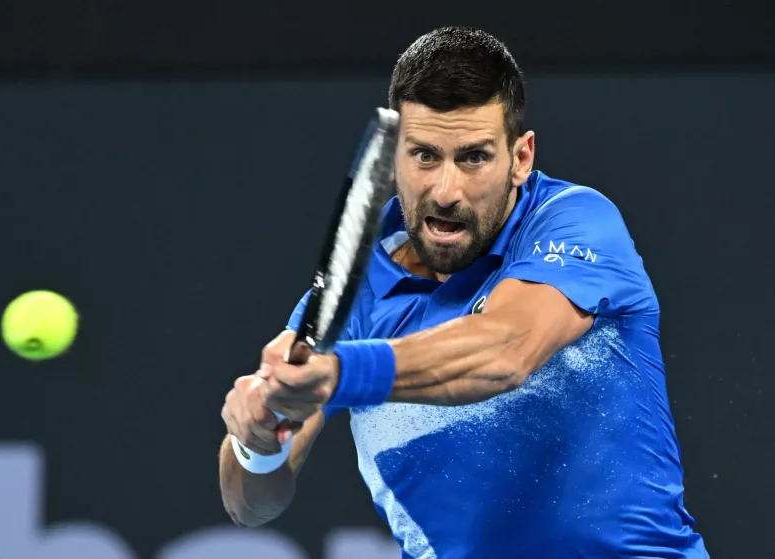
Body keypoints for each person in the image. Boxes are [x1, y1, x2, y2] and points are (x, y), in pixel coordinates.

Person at [218, 26, 708, 559]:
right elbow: (250, 506)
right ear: (395, 158)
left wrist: (341, 374)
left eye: (473, 157)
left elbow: (505, 351)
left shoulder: (574, 220)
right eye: (424, 156)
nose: (446, 191)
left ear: (521, 158)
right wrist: (260, 442)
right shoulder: (351, 297)